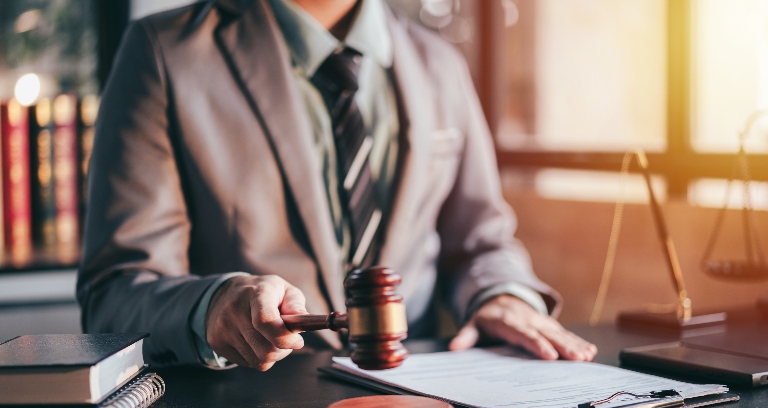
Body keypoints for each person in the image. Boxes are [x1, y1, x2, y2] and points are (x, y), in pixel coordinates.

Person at [77, 0, 597, 370]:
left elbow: (481, 241)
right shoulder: (164, 53)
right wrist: (212, 303)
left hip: (426, 406)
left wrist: (499, 292)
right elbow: (117, 290)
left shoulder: (441, 64)